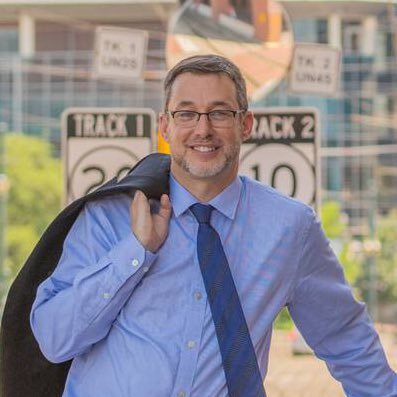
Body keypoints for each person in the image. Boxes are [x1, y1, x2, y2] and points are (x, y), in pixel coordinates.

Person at [30, 54, 397, 397]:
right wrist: (134, 252)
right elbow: (55, 339)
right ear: (166, 125)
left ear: (246, 124)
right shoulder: (109, 214)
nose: (202, 129)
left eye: (219, 113)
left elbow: (346, 338)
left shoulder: (290, 228)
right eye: (186, 114)